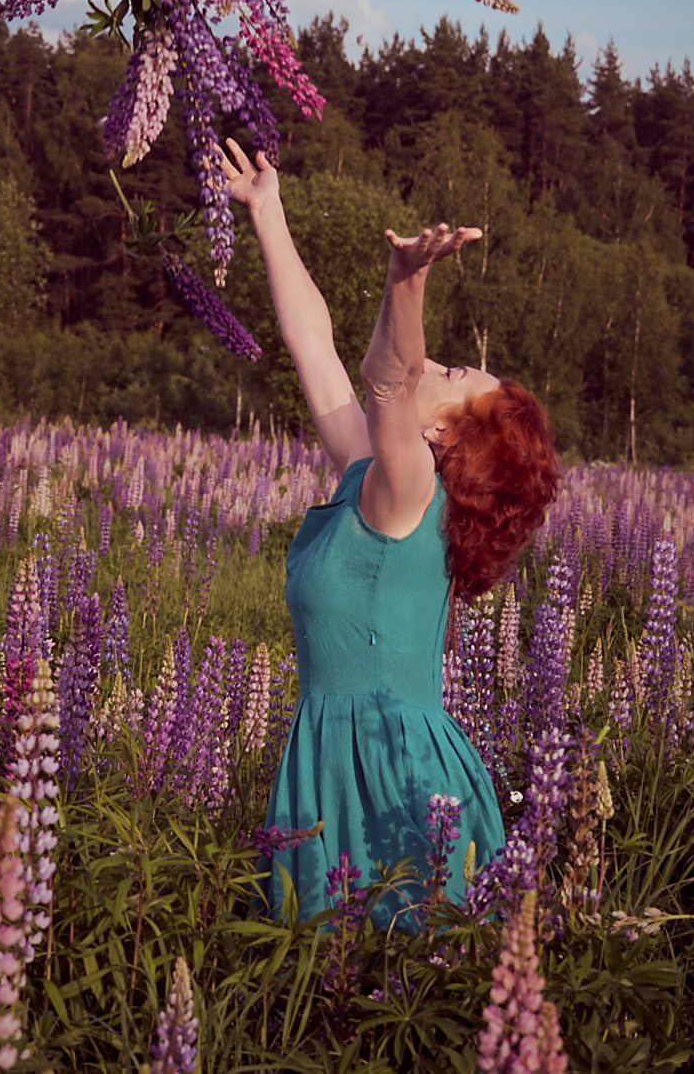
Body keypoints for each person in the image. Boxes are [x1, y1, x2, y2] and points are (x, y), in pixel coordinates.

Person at [219, 139, 560, 929]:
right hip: (347, 763)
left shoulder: (410, 493)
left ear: (448, 437)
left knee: (379, 973)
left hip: (389, 778)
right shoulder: (373, 483)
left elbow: (386, 379)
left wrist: (407, 279)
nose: (437, 365)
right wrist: (268, 211)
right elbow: (316, 345)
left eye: (454, 378)